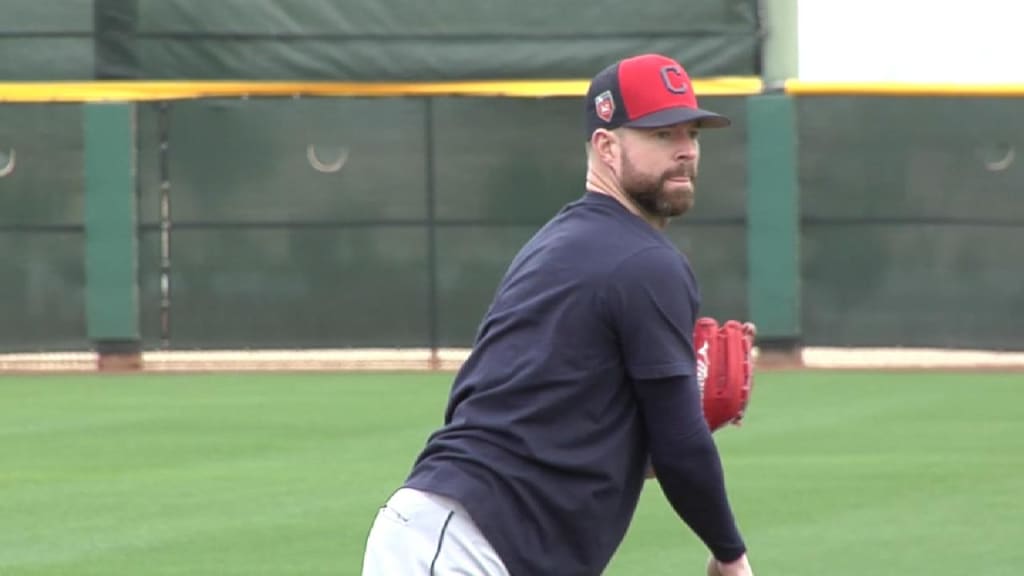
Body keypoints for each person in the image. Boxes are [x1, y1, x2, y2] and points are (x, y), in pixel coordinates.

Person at [361, 53, 755, 576]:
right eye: (662, 135)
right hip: (465, 546)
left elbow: (560, 431)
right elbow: (683, 448)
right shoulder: (645, 263)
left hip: (461, 534)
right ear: (606, 146)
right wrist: (730, 555)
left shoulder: (561, 244)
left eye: (692, 134)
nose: (684, 151)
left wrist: (646, 437)